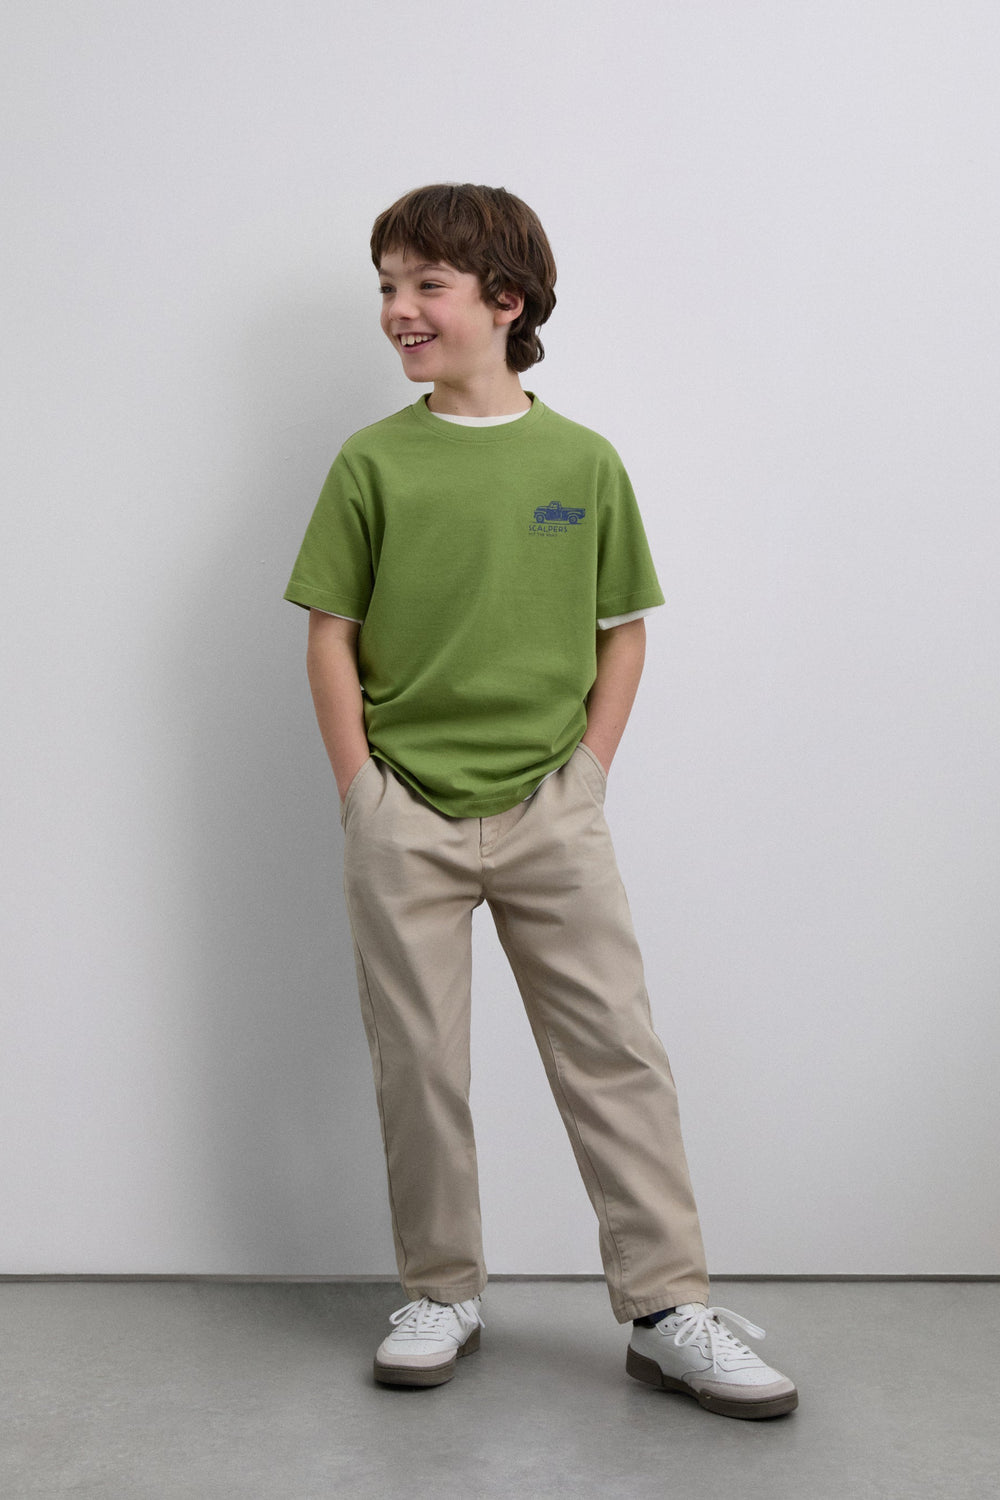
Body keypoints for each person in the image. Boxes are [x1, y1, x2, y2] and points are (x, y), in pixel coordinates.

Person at [284, 183, 797, 1419]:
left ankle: (667, 1307)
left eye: (427, 285)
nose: (399, 310)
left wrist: (588, 773)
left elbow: (622, 631)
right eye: (387, 287)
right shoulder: (372, 462)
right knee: (419, 1061)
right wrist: (362, 791)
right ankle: (440, 1291)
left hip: (550, 809)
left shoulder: (582, 462)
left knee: (614, 1050)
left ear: (506, 301)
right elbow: (330, 632)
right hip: (404, 808)